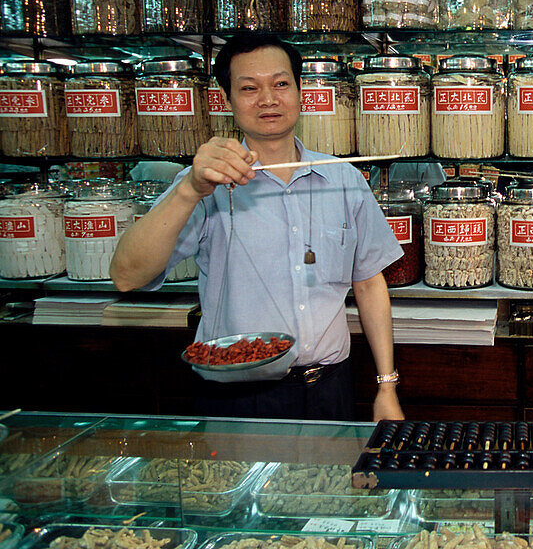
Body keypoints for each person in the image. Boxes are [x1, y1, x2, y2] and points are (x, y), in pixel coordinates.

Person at [110, 33, 405, 422]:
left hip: (329, 389)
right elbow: (127, 276)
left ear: (300, 91)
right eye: (249, 88)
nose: (268, 99)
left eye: (281, 84)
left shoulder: (344, 179)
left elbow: (368, 284)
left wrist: (386, 386)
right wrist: (188, 191)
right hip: (235, 395)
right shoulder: (203, 183)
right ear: (226, 100)